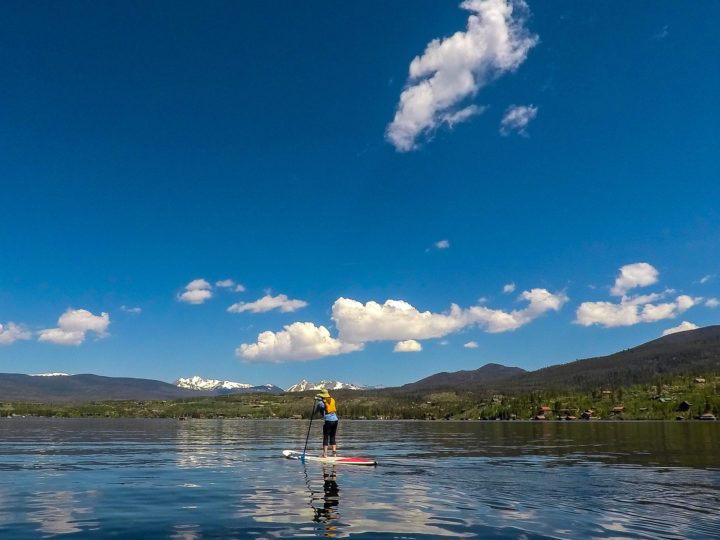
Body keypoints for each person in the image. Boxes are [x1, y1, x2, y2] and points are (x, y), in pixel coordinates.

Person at [315, 389, 338, 458]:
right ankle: (334, 454)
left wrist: (313, 415)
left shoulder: (321, 403)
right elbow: (324, 400)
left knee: (326, 436)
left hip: (328, 421)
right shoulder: (332, 400)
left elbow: (318, 410)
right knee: (332, 436)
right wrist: (317, 398)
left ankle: (325, 454)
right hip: (336, 420)